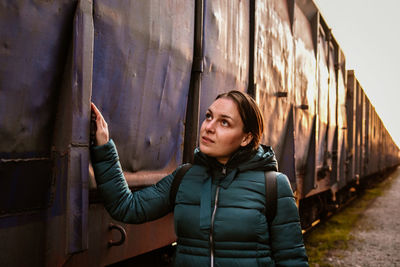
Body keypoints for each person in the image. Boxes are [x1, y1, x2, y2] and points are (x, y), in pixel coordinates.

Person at [90, 90, 308, 266]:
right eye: (209, 116)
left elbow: (292, 259)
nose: (209, 127)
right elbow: (126, 207)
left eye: (224, 123)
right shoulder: (185, 177)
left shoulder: (273, 185)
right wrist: (104, 147)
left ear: (246, 137)